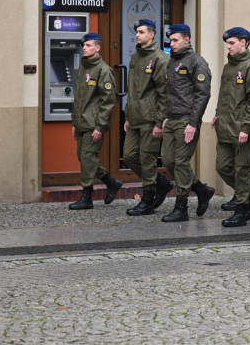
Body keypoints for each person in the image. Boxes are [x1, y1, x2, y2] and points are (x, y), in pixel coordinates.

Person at [159, 24, 215, 222]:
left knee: (181, 162)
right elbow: (169, 93)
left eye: (175, 40)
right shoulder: (173, 62)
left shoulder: (197, 62)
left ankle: (181, 208)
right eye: (171, 40)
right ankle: (201, 189)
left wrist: (193, 123)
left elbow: (203, 94)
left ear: (186, 40)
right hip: (172, 119)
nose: (171, 44)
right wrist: (165, 116)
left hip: (186, 120)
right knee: (168, 160)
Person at [212, 27, 250, 227]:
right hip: (226, 126)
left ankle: (242, 209)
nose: (229, 46)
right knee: (223, 166)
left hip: (243, 128)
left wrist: (247, 127)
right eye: (228, 43)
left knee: (241, 169)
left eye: (232, 43)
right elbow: (224, 95)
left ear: (244, 42)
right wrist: (218, 114)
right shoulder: (229, 67)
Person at [122, 19, 173, 215]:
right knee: (129, 155)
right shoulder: (135, 57)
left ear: (151, 35)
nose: (137, 34)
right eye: (136, 31)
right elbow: (133, 90)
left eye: (141, 31)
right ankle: (161, 183)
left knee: (147, 159)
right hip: (135, 117)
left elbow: (164, 94)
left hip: (151, 119)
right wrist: (128, 114)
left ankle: (147, 200)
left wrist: (160, 122)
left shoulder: (160, 59)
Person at [68, 32, 124, 210]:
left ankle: (87, 197)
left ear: (97, 48)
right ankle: (111, 182)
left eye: (88, 45)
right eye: (83, 45)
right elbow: (78, 98)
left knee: (88, 157)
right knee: (84, 157)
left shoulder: (103, 70)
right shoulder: (84, 68)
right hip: (82, 122)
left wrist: (100, 126)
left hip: (93, 124)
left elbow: (108, 102)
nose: (84, 47)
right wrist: (74, 123)